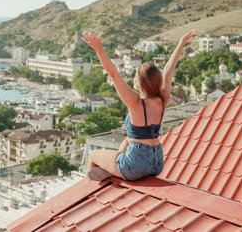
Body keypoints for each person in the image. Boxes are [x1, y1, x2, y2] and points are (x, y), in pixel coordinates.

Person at [83, 29, 198, 181]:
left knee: (92, 155)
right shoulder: (163, 99)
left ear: (141, 83)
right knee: (127, 140)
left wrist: (99, 49)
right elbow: (169, 70)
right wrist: (181, 43)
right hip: (156, 162)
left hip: (136, 165)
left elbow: (114, 74)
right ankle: (114, 167)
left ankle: (88, 188)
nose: (133, 79)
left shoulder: (135, 103)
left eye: (136, 77)